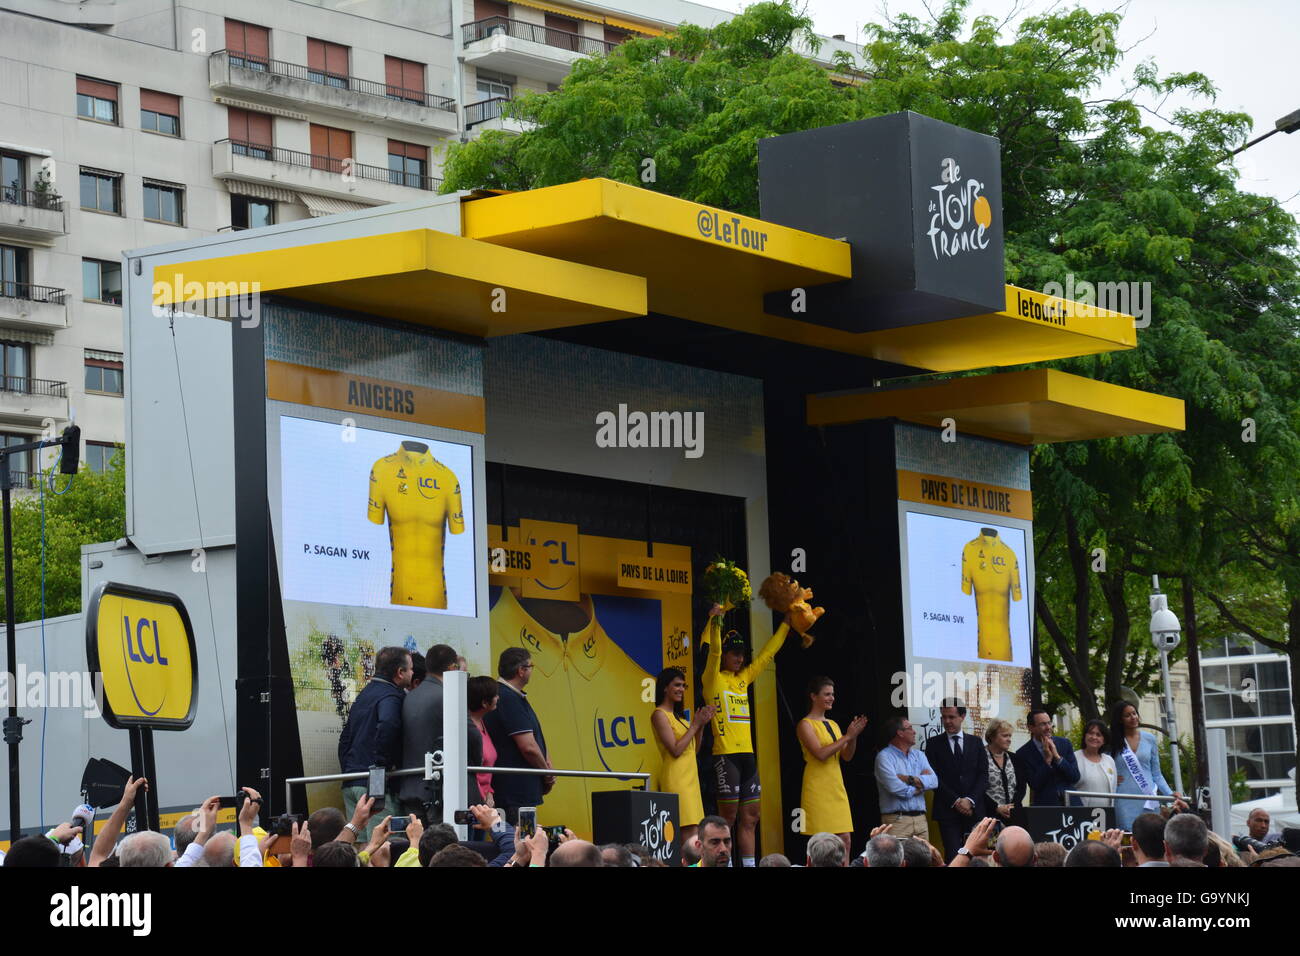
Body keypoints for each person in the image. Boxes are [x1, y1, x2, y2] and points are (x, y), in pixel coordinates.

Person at [701, 600, 793, 867]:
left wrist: (786, 623)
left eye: (742, 654)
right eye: (735, 653)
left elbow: (766, 655)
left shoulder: (743, 679)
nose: (740, 658)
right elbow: (714, 653)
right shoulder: (713, 679)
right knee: (726, 819)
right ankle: (725, 864)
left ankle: (750, 865)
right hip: (725, 756)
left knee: (751, 817)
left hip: (748, 757)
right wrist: (716, 621)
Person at [338, 645, 412, 837]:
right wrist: (382, 766)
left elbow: (345, 738)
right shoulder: (391, 696)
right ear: (400, 673)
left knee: (359, 847)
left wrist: (349, 770)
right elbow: (388, 724)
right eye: (411, 669)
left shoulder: (364, 695)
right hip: (374, 786)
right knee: (383, 845)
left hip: (351, 782)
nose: (413, 673)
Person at [796, 676, 866, 862]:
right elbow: (820, 753)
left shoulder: (833, 724)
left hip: (836, 786)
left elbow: (846, 756)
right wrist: (847, 736)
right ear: (813, 696)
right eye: (827, 694)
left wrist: (853, 737)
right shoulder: (805, 724)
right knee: (821, 843)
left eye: (832, 694)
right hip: (817, 787)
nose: (831, 698)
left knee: (845, 840)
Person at [484, 647, 552, 824]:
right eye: (530, 666)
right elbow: (528, 746)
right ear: (521, 671)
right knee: (523, 841)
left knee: (520, 839)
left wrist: (546, 762)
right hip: (515, 793)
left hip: (516, 791)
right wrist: (547, 773)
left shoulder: (509, 696)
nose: (531, 671)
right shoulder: (508, 698)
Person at [650, 667, 715, 844]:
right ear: (665, 687)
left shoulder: (681, 718)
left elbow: (693, 751)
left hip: (691, 781)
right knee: (690, 838)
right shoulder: (659, 715)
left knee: (694, 835)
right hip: (677, 780)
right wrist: (695, 724)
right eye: (677, 685)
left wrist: (701, 726)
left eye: (683, 686)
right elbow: (675, 750)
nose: (681, 689)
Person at [399, 643, 459, 818]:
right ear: (451, 668)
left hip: (409, 785)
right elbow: (470, 738)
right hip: (438, 790)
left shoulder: (409, 697)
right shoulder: (448, 696)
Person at [926, 697, 988, 861]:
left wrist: (970, 800)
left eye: (951, 717)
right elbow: (934, 778)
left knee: (976, 856)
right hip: (947, 811)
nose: (947, 721)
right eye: (944, 717)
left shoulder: (976, 742)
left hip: (974, 810)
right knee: (954, 855)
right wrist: (956, 801)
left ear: (962, 716)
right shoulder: (933, 744)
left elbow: (983, 775)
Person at [1109, 701, 1184, 830]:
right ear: (1120, 720)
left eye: (1134, 713)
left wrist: (1170, 794)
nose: (1133, 717)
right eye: (1127, 715)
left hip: (1148, 799)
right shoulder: (1112, 741)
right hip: (1124, 798)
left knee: (1150, 835)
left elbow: (1156, 774)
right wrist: (1112, 779)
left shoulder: (1150, 739)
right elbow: (1105, 766)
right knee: (1127, 838)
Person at [874, 716, 937, 838]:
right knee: (898, 857)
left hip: (920, 820)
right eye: (910, 728)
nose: (914, 732)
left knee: (924, 857)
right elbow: (896, 788)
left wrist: (909, 779)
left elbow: (934, 781)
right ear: (900, 733)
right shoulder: (884, 757)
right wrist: (921, 786)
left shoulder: (919, 755)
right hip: (897, 821)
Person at [1015, 708, 1080, 805]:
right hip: (1045, 807)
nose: (1048, 727)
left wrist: (1057, 757)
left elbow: (1075, 777)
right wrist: (1047, 761)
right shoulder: (1023, 753)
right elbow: (1035, 784)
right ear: (1031, 727)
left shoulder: (1065, 744)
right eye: (1043, 724)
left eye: (1049, 723)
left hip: (1071, 804)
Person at [983, 718, 1026, 821]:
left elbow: (1021, 787)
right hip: (988, 815)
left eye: (1010, 736)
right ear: (992, 737)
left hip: (1013, 814)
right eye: (1005, 736)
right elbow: (978, 788)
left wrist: (1012, 806)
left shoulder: (1015, 759)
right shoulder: (980, 757)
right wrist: (996, 807)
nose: (1009, 739)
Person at [468, 675, 501, 807]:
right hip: (475, 802)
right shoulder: (469, 729)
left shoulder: (481, 721)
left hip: (486, 799)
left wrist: (490, 792)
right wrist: (481, 797)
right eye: (495, 695)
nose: (498, 697)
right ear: (484, 703)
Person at [1075, 718, 1117, 809]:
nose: (1094, 737)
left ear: (1104, 740)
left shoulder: (1109, 760)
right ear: (1085, 736)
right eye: (1090, 733)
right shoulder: (1075, 758)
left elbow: (1114, 788)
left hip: (1105, 814)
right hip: (1080, 813)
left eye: (1098, 735)